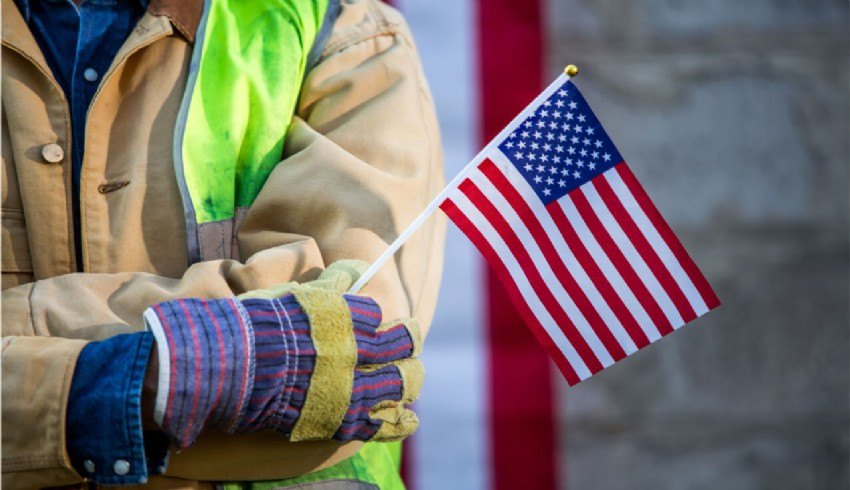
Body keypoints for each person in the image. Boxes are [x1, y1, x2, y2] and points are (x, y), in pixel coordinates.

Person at [1, 0, 446, 488]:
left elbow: (352, 348)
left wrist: (35, 376)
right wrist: (161, 369)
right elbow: (293, 357)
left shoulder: (335, 27)